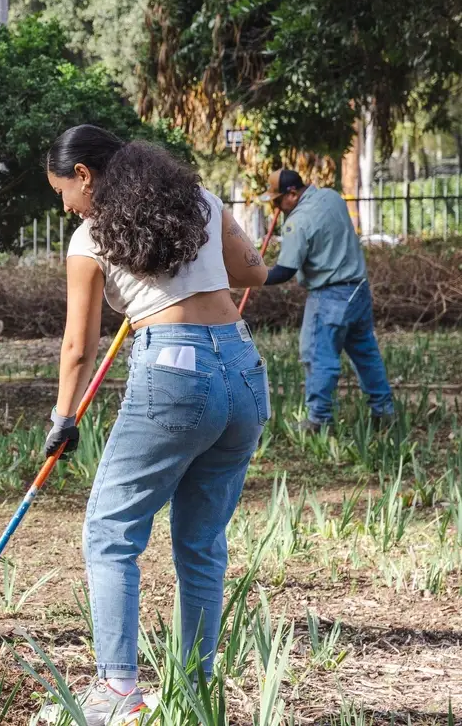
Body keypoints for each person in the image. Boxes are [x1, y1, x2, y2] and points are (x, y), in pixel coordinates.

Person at [38, 125, 270, 726]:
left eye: (62, 190)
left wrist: (63, 419)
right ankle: (194, 688)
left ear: (84, 176)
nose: (63, 204)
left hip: (172, 371)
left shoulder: (91, 237)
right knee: (200, 541)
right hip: (243, 369)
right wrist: (183, 267)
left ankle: (118, 691)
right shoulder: (201, 202)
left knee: (111, 531)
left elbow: (75, 348)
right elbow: (253, 273)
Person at [260, 168, 394, 433]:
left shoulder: (298, 221)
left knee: (318, 356)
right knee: (366, 353)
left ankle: (319, 420)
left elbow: (285, 271)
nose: (275, 207)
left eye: (277, 201)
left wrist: (253, 276)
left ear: (292, 194)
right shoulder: (332, 197)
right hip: (358, 290)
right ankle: (384, 411)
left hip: (330, 296)